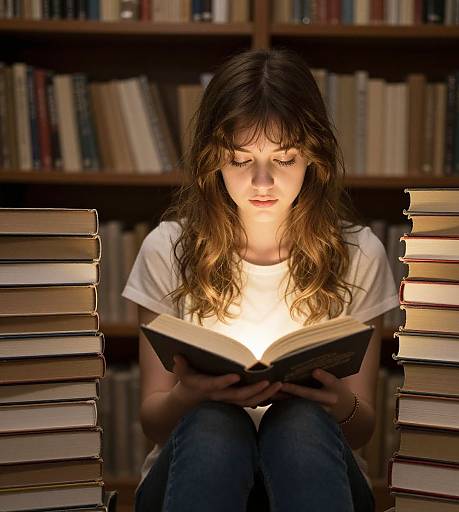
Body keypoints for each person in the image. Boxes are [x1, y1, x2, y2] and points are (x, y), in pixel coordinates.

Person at [122, 47, 399, 512]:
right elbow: (153, 420)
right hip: (191, 470)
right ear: (213, 160)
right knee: (214, 422)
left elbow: (362, 429)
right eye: (241, 159)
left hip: (314, 470)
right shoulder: (167, 248)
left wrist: (336, 404)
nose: (263, 181)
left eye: (285, 159)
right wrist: (188, 396)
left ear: (314, 158)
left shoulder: (359, 253)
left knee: (300, 421)